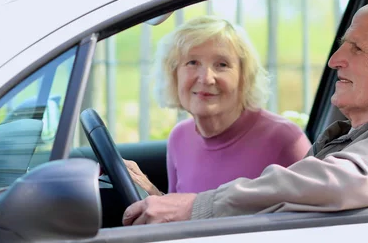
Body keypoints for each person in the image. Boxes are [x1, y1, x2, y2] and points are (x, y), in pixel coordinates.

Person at [122, 0, 368, 226]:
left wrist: (198, 207)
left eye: (356, 47)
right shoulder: (362, 136)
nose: (335, 59)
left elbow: (347, 182)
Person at [125, 16, 311, 196]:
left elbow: (316, 222)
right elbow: (182, 221)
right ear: (174, 75)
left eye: (221, 65)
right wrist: (151, 193)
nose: (206, 78)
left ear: (244, 77)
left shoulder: (285, 139)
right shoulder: (179, 137)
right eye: (192, 62)